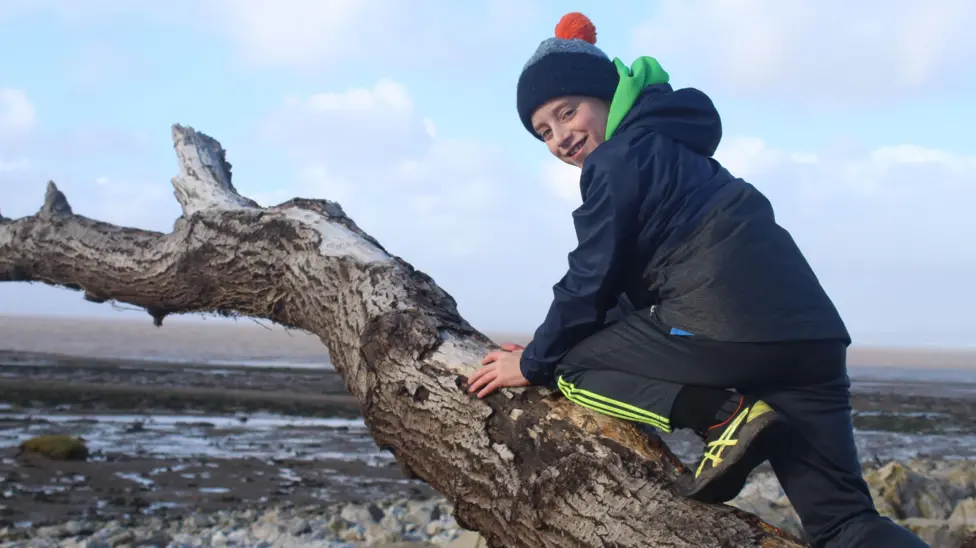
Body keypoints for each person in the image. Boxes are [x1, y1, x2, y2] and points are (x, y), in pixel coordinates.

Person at [465, 11, 930, 548]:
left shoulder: (618, 160)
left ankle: (723, 419)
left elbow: (589, 278)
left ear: (607, 95)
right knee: (843, 521)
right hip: (814, 341)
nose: (561, 138)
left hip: (732, 328)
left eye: (567, 112)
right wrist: (547, 342)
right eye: (543, 131)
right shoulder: (673, 149)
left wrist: (534, 361)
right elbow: (624, 288)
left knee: (571, 368)